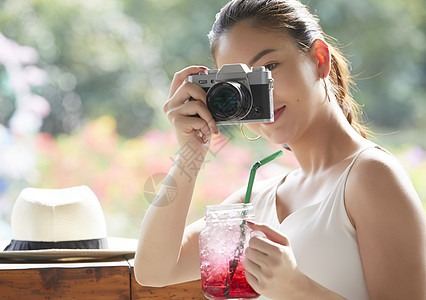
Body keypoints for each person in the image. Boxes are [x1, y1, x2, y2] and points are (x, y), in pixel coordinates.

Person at [134, 0, 426, 299]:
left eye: (270, 67)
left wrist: (295, 286)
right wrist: (191, 152)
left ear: (319, 59)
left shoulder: (371, 176)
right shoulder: (259, 198)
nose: (262, 92)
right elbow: (154, 270)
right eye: (242, 82)